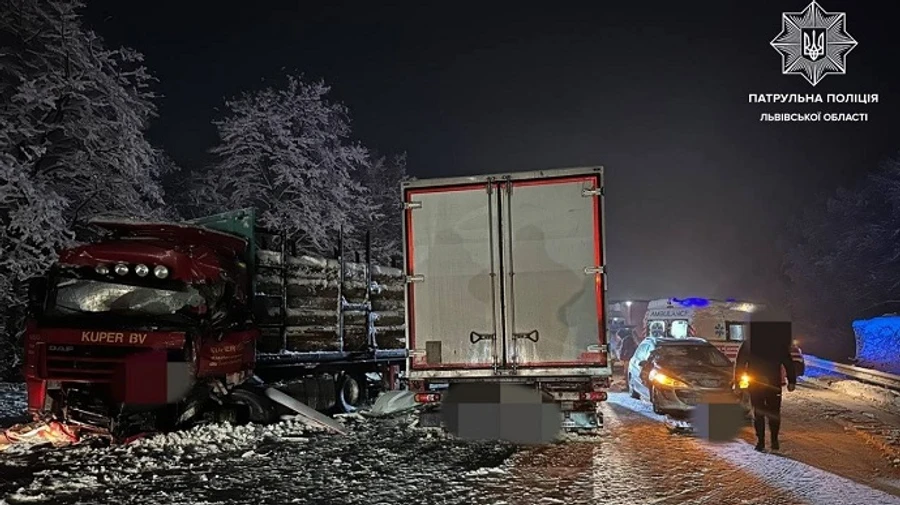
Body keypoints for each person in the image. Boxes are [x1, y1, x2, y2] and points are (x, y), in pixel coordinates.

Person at [734, 324, 797, 452]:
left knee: (759, 413)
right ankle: (771, 441)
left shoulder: (749, 343)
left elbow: (740, 364)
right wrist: (791, 381)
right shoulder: (777, 344)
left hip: (758, 384)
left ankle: (762, 442)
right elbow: (789, 363)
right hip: (771, 384)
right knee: (771, 413)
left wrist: (738, 382)